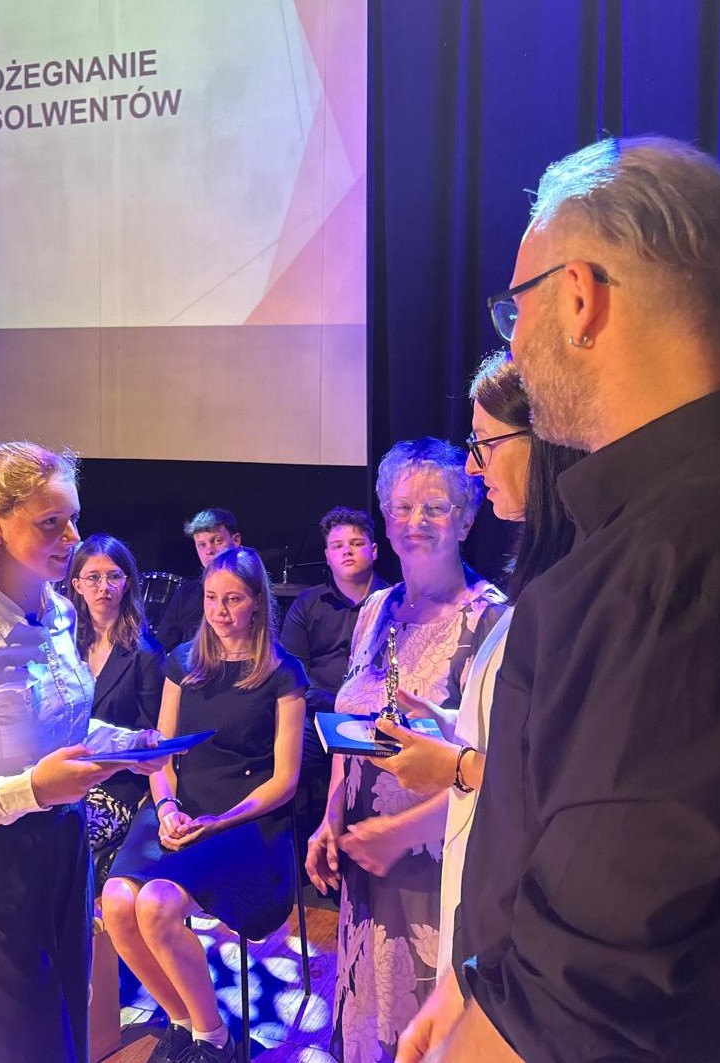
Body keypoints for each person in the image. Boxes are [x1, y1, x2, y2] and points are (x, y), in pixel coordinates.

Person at [400, 137, 720, 1063]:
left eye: (516, 307)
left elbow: (581, 995)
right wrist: (471, 985)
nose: (514, 342)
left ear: (579, 297)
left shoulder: (690, 562)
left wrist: (481, 1026)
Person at [0, 441, 161, 1063]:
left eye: (73, 518)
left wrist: (126, 747)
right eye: (50, 522)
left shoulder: (61, 615)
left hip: (65, 851)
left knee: (68, 1039)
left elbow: (60, 733)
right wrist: (32, 790)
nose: (73, 537)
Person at [366, 355, 582, 984]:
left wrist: (454, 766)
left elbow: (570, 781)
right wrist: (450, 722)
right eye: (401, 507)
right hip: (431, 867)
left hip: (475, 878)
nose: (473, 464)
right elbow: (513, 733)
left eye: (484, 444)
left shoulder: (523, 603)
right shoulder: (377, 609)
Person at [303, 439, 503, 1062]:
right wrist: (331, 817)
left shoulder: (492, 621)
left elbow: (501, 775)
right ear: (385, 521)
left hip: (435, 867)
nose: (416, 521)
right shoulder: (375, 609)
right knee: (369, 1024)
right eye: (402, 507)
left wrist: (397, 835)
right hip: (365, 859)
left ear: (466, 519)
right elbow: (352, 731)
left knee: (424, 1035)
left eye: (435, 507)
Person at [104, 546, 308, 1063]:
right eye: (212, 598)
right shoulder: (182, 662)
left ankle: (215, 1039)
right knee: (116, 901)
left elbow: (285, 780)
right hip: (181, 804)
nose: (219, 611)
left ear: (257, 602)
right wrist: (166, 807)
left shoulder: (283, 674)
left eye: (233, 599)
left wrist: (219, 822)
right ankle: (183, 1021)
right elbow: (164, 755)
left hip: (246, 818)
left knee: (157, 904)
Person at [279, 507, 387, 840]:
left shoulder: (395, 602)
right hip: (318, 719)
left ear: (374, 550)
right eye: (338, 546)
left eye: (356, 543)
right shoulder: (307, 604)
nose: (347, 551)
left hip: (374, 721)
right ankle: (291, 854)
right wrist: (336, 708)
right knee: (282, 763)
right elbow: (292, 672)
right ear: (327, 556)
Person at [67, 533, 165, 881]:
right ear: (77, 585)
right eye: (93, 577)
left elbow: (151, 738)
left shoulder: (146, 653)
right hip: (62, 774)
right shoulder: (63, 644)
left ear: (127, 583)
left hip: (115, 786)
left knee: (61, 841)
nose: (103, 587)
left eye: (113, 577)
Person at [155, 508, 241, 651]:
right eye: (202, 545)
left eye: (217, 541)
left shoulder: (251, 589)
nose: (209, 551)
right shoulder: (185, 594)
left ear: (236, 540)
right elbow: (164, 646)